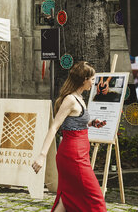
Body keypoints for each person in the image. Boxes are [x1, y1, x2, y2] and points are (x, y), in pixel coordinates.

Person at [32, 62, 107, 212]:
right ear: (84, 79)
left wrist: (92, 123)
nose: (94, 83)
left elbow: (75, 123)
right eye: (92, 79)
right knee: (96, 198)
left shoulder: (79, 97)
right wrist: (42, 155)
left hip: (80, 154)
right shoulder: (70, 100)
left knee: (66, 198)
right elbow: (54, 126)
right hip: (73, 157)